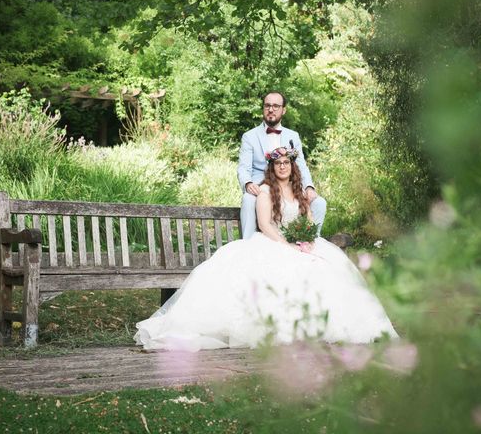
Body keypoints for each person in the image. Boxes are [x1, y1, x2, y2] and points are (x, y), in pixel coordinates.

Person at [134, 147, 398, 352]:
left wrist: (306, 241)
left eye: (287, 163)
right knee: (282, 270)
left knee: (328, 267)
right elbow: (264, 224)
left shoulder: (300, 193)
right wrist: (286, 245)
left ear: (293, 166)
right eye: (278, 163)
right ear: (272, 167)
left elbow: (307, 222)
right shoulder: (265, 191)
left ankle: (331, 326)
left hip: (299, 242)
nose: (282, 166)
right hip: (274, 241)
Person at [238, 91, 327, 239]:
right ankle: (248, 245)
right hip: (261, 189)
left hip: (287, 188)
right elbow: (243, 167)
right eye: (267, 106)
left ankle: (309, 243)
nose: (271, 109)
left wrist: (309, 187)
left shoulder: (293, 136)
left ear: (283, 110)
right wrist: (247, 183)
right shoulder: (249, 136)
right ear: (263, 108)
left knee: (319, 203)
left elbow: (301, 165)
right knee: (248, 199)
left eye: (275, 106)